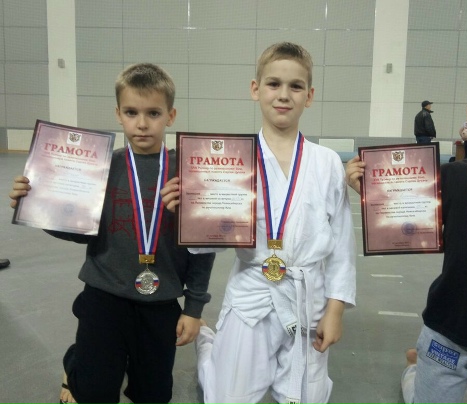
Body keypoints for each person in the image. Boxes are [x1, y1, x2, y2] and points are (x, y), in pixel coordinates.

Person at [161, 42, 356, 404]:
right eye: (273, 84)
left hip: (307, 297)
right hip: (252, 293)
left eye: (295, 86)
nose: (284, 95)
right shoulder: (233, 160)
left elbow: (342, 243)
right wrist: (188, 213)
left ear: (309, 96)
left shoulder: (327, 162)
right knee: (226, 397)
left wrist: (336, 309)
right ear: (255, 89)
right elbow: (211, 240)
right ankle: (209, 346)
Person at [9, 63, 215, 404]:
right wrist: (36, 206)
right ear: (118, 114)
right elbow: (81, 232)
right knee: (94, 392)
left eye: (153, 113)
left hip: (161, 300)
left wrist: (193, 308)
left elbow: (205, 246)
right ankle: (74, 365)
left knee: (154, 395)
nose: (142, 123)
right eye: (131, 112)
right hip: (104, 295)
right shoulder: (100, 168)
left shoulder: (190, 171)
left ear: (171, 115)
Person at [347, 59, 467, 403]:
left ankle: (443, 372)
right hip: (448, 333)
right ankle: (414, 372)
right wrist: (370, 190)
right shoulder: (447, 177)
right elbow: (406, 220)